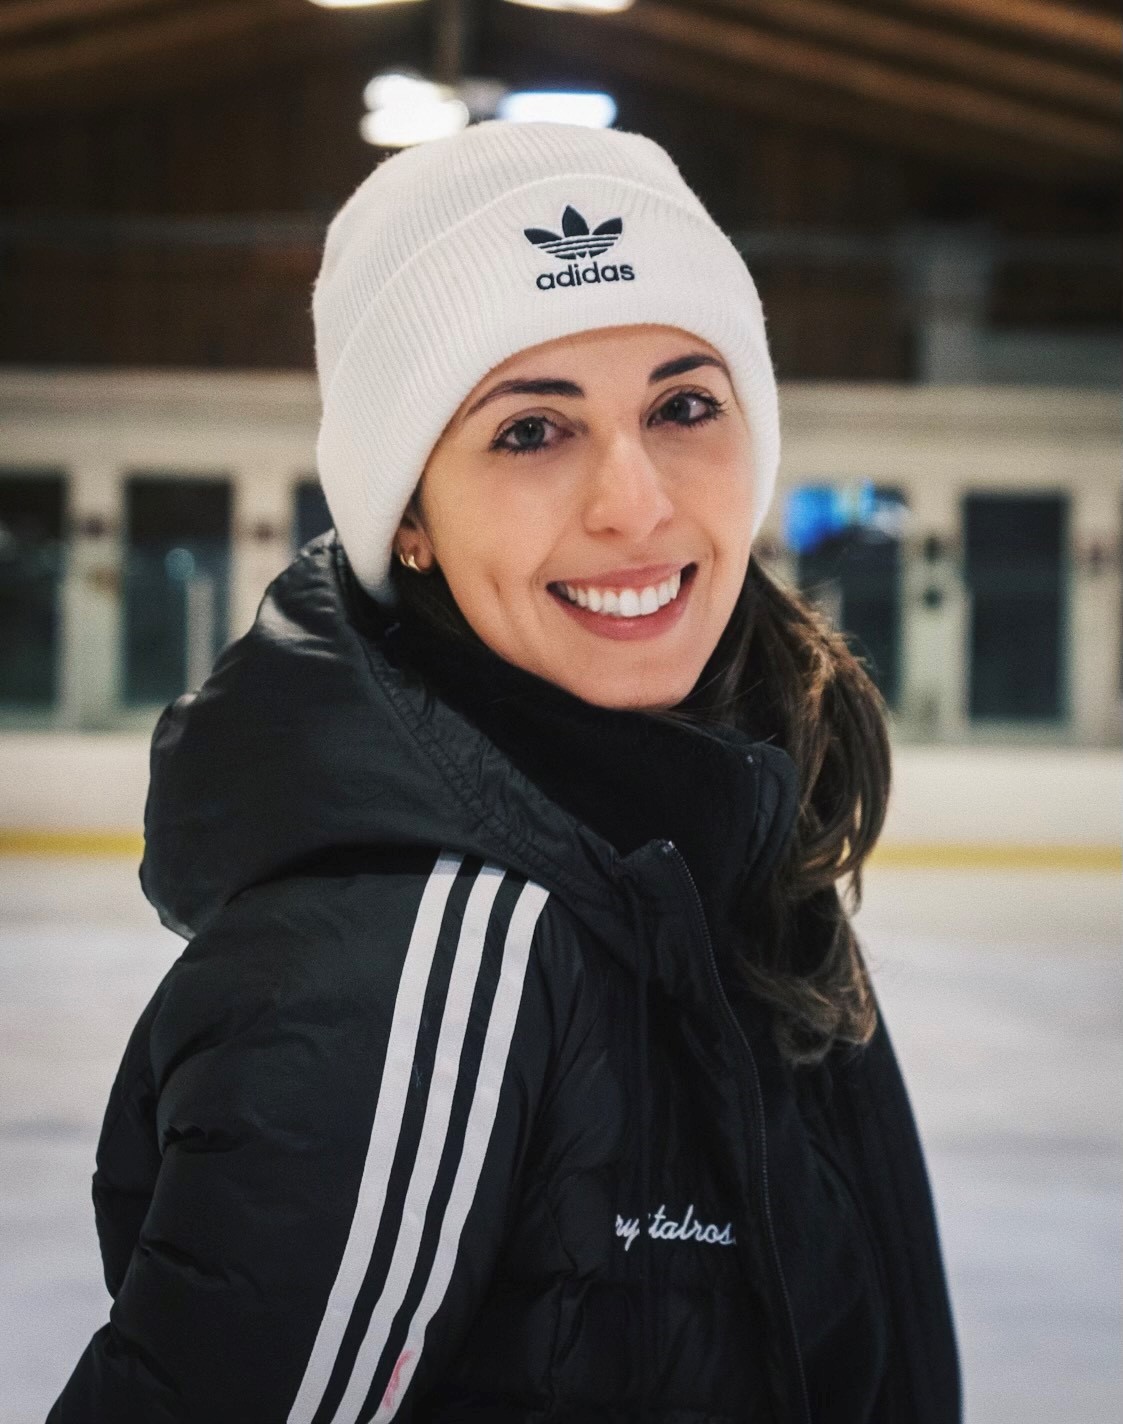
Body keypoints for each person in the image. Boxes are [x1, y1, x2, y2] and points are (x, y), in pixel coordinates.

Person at [50, 121, 959, 1423]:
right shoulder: (411, 958)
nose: (635, 502)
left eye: (684, 405)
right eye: (533, 431)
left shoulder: (720, 848)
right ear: (407, 519)